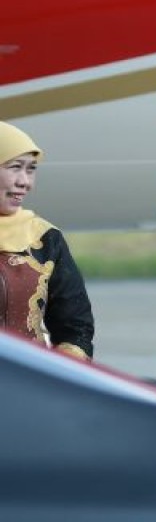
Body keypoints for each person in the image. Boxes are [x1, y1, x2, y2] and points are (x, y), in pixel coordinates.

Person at [0, 121, 94, 359]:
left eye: (31, 169)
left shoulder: (45, 238)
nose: (25, 182)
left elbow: (74, 328)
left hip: (25, 387)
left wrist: (66, 369)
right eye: (15, 167)